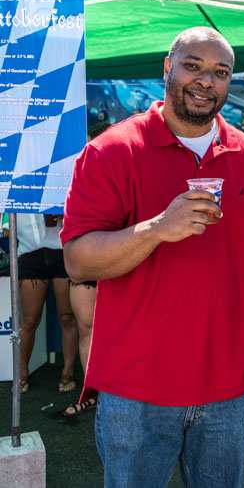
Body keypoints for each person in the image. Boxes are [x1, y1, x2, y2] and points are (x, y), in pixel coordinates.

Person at [61, 27, 244, 488]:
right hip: (136, 389)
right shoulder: (110, 152)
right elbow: (78, 262)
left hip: (233, 385)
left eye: (220, 72)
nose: (206, 81)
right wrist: (156, 229)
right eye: (193, 66)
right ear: (167, 68)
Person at [63, 118, 113, 417]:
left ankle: (116, 393)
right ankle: (94, 391)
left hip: (122, 265)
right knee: (87, 329)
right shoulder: (78, 171)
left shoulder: (127, 164)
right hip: (87, 267)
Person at [14, 214, 78, 394]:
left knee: (67, 317)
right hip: (29, 252)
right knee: (29, 321)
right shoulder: (19, 185)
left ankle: (68, 372)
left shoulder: (61, 185)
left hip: (63, 250)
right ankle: (21, 374)